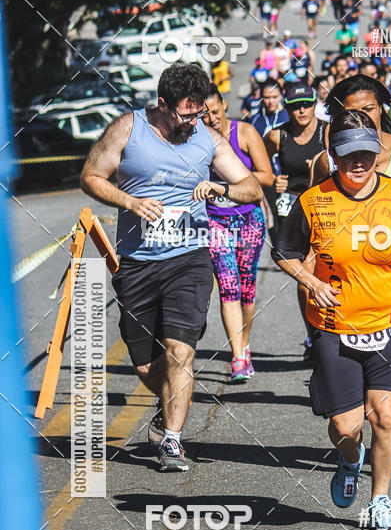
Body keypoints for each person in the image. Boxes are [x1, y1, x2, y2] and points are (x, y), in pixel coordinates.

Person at [80, 64, 261, 472]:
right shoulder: (128, 129)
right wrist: (130, 202)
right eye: (185, 114)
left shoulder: (207, 138)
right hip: (138, 263)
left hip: (189, 258)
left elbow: (251, 187)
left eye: (199, 113)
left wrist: (221, 188)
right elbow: (91, 176)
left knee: (181, 351)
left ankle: (173, 443)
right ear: (162, 104)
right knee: (146, 364)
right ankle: (168, 407)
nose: (193, 122)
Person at [272, 109, 391, 530]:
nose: (358, 162)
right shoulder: (314, 201)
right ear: (333, 155)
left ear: (376, 152)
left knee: (385, 416)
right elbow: (284, 252)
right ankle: (349, 459)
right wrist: (310, 281)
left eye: (366, 152)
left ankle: (380, 500)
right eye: (348, 154)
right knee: (347, 427)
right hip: (335, 324)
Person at [312, 74, 391, 479]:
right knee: (348, 400)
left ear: (382, 109)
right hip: (342, 281)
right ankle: (350, 433)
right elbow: (314, 223)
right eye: (352, 112)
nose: (362, 117)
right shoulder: (327, 161)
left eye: (368, 109)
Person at [202, 85, 274, 381]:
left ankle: (244, 343)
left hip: (248, 219)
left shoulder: (244, 133)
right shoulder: (197, 140)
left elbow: (267, 176)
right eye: (204, 115)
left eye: (214, 111)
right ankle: (238, 356)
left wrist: (231, 178)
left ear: (224, 105)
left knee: (247, 287)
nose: (211, 119)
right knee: (227, 284)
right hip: (215, 220)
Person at [265, 83, 327, 362]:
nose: (301, 110)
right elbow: (257, 168)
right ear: (287, 108)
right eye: (295, 106)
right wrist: (272, 181)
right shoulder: (277, 136)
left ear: (315, 104)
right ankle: (313, 334)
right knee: (305, 279)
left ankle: (331, 330)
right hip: (291, 210)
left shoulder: (328, 132)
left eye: (306, 104)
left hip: (324, 208)